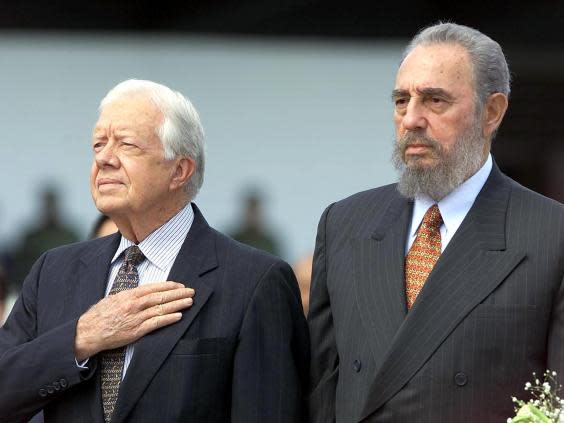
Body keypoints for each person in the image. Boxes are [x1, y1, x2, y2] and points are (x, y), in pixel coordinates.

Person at [0, 79, 309, 423]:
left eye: (126, 145)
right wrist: (81, 337)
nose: (103, 158)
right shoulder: (53, 272)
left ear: (179, 170)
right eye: (98, 144)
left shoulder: (254, 281)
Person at [307, 22, 564, 423]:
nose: (411, 119)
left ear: (491, 112)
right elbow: (322, 389)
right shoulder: (343, 224)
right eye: (400, 100)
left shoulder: (552, 236)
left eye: (434, 100)